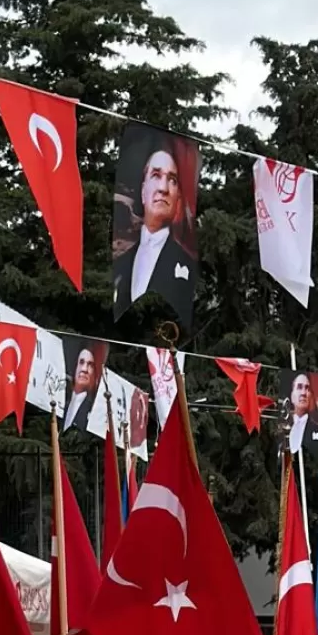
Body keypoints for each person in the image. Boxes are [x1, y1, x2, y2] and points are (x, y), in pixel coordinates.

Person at [113, 141, 196, 322]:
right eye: (156, 175)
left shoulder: (186, 263)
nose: (163, 188)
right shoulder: (120, 263)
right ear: (143, 191)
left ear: (178, 199)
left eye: (172, 180)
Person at [63, 344, 101, 434]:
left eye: (90, 365)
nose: (84, 369)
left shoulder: (93, 409)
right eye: (81, 362)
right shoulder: (62, 398)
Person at [287, 370, 318, 455]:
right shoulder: (283, 427)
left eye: (307, 388)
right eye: (299, 387)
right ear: (292, 395)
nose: (304, 393)